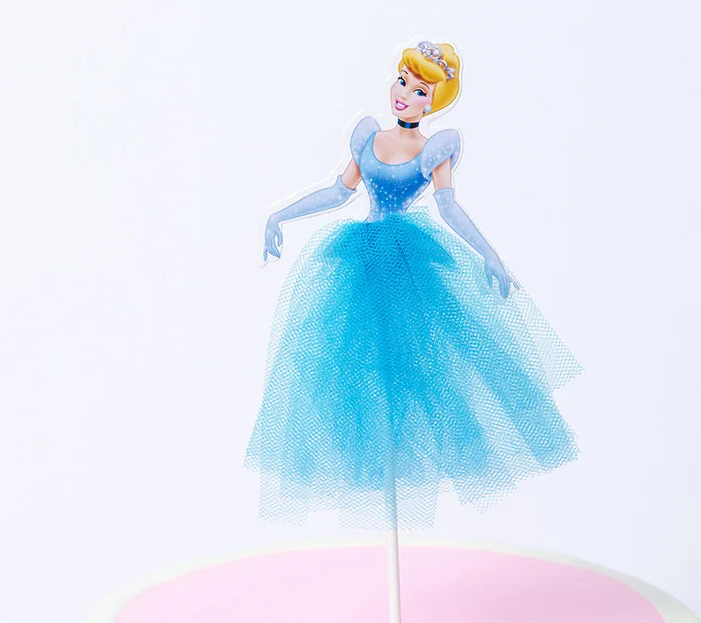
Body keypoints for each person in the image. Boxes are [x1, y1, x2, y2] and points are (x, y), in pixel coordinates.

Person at [244, 41, 581, 531]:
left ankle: (410, 463)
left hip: (407, 262)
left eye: (419, 90)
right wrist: (280, 215)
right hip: (358, 262)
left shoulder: (433, 150)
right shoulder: (368, 137)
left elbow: (448, 206)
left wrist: (489, 254)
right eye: (403, 81)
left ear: (433, 102)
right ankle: (369, 469)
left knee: (414, 366)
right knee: (353, 367)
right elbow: (339, 191)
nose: (405, 94)